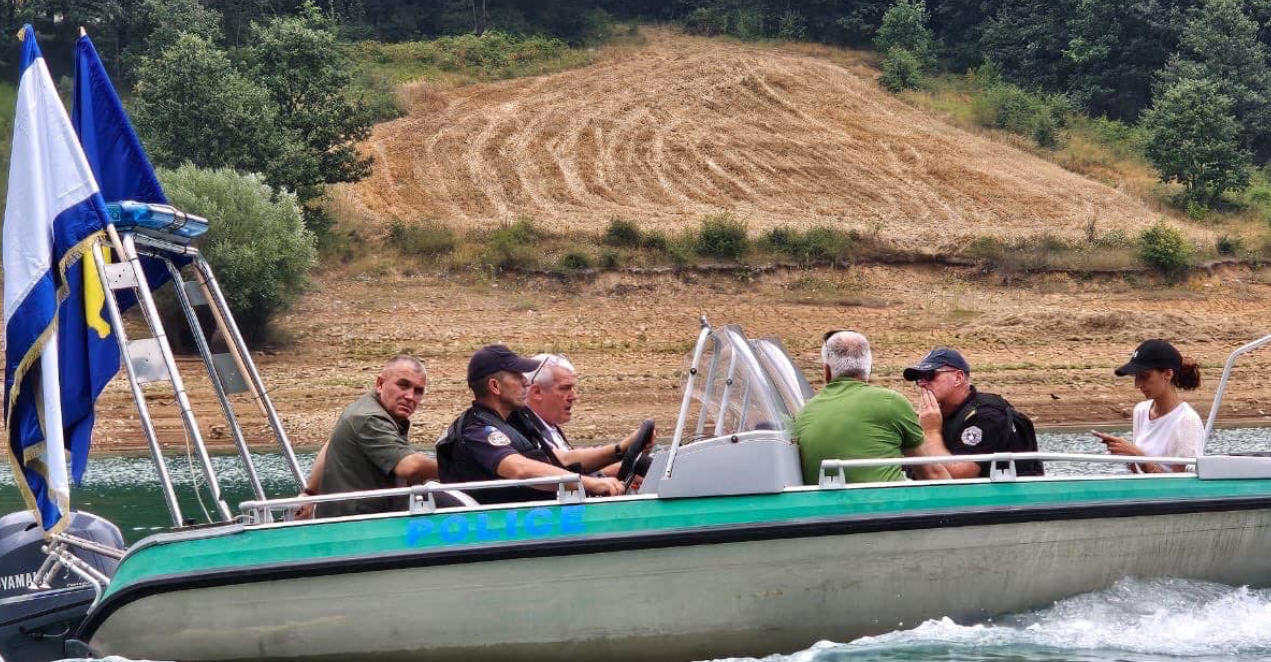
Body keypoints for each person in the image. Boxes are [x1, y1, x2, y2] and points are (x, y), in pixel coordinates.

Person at [437, 344, 644, 504]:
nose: (526, 382)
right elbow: (520, 469)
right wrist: (590, 483)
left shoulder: (515, 421)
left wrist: (621, 449)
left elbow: (560, 459)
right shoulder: (477, 430)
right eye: (517, 376)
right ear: (495, 386)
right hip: (502, 529)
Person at [794, 330, 951, 485]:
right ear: (869, 369)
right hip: (885, 507)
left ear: (826, 371)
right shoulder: (891, 402)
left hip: (824, 508)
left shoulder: (803, 414)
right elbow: (932, 474)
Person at [305, 355, 440, 518]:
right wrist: (456, 471)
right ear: (380, 384)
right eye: (403, 385)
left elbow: (330, 444)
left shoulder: (365, 407)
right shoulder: (369, 418)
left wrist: (309, 493)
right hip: (357, 529)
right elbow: (409, 466)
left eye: (418, 391)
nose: (410, 396)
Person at [903, 347, 1043, 479]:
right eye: (919, 378)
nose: (922, 383)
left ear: (958, 377)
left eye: (929, 375)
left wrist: (931, 432)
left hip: (1001, 499)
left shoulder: (988, 416)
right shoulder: (932, 416)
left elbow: (956, 475)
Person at [1093, 339, 1203, 473]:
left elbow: (1180, 487)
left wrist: (1138, 455)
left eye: (1144, 376)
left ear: (1167, 374)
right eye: (1136, 377)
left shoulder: (1186, 420)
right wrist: (1128, 456)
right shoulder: (1141, 410)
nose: (1137, 384)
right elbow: (1139, 473)